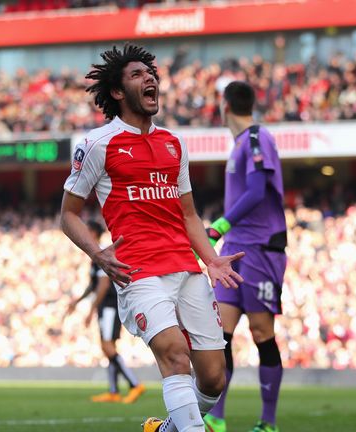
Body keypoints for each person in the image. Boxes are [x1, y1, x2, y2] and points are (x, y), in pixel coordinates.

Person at [60, 43, 244, 432]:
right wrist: (97, 253)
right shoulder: (98, 143)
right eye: (138, 75)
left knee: (213, 378)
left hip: (186, 268)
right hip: (139, 272)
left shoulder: (174, 144)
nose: (150, 79)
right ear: (116, 91)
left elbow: (189, 215)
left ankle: (163, 430)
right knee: (176, 357)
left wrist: (210, 259)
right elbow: (68, 215)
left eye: (152, 74)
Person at [202, 81, 287, 432]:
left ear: (224, 106)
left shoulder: (256, 137)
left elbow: (256, 191)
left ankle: (268, 422)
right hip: (233, 251)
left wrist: (219, 225)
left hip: (260, 247)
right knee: (220, 332)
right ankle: (216, 417)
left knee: (260, 331)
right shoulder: (239, 144)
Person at [65, 220, 145, 404]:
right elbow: (93, 285)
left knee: (106, 346)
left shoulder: (101, 253)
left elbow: (103, 286)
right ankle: (114, 391)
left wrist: (90, 310)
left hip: (109, 305)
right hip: (106, 305)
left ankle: (134, 384)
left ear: (92, 233)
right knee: (108, 347)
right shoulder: (97, 255)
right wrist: (77, 302)